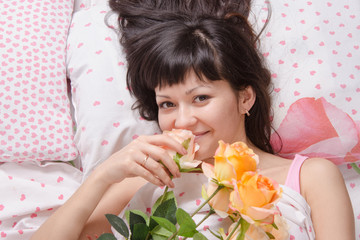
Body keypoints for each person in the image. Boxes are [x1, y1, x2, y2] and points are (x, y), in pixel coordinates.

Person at [31, 0, 355, 239]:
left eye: (200, 98)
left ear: (245, 97)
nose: (182, 121)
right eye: (168, 104)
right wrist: (102, 175)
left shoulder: (312, 177)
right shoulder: (146, 181)